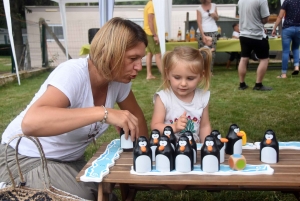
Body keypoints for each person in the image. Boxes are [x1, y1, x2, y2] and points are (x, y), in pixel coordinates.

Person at [0, 17, 148, 201]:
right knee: (86, 196)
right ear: (110, 52)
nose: (139, 66)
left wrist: (145, 152)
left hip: (67, 161)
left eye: (141, 58)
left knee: (106, 193)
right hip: (24, 158)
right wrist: (103, 113)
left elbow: (136, 116)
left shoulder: (118, 80)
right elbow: (30, 123)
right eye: (133, 58)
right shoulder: (73, 73)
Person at [151, 46, 212, 144]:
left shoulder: (202, 97)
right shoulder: (163, 98)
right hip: (169, 150)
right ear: (167, 74)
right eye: (177, 77)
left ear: (201, 75)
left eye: (190, 78)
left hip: (194, 150)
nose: (183, 83)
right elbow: (155, 126)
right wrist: (174, 127)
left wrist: (207, 146)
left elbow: (204, 126)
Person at [237, 0, 272, 91]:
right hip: (257, 35)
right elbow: (265, 19)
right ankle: (258, 85)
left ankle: (242, 84)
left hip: (243, 34)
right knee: (264, 59)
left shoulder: (241, 0)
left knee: (244, 58)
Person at [271, 0, 300, 78]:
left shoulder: (287, 1)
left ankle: (284, 73)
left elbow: (280, 16)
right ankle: (296, 66)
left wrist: (274, 28)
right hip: (298, 29)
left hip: (287, 28)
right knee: (296, 48)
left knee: (286, 51)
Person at [196, 0, 219, 73]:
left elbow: (217, 18)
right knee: (202, 52)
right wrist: (203, 35)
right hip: (202, 32)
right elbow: (199, 22)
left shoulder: (214, 5)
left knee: (212, 52)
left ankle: (210, 71)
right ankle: (202, 71)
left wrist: (215, 15)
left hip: (213, 31)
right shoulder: (199, 8)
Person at [143, 0, 162, 80]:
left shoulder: (148, 4)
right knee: (158, 54)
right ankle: (165, 75)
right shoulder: (151, 5)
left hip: (147, 32)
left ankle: (149, 74)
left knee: (149, 54)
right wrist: (155, 35)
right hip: (150, 33)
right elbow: (150, 20)